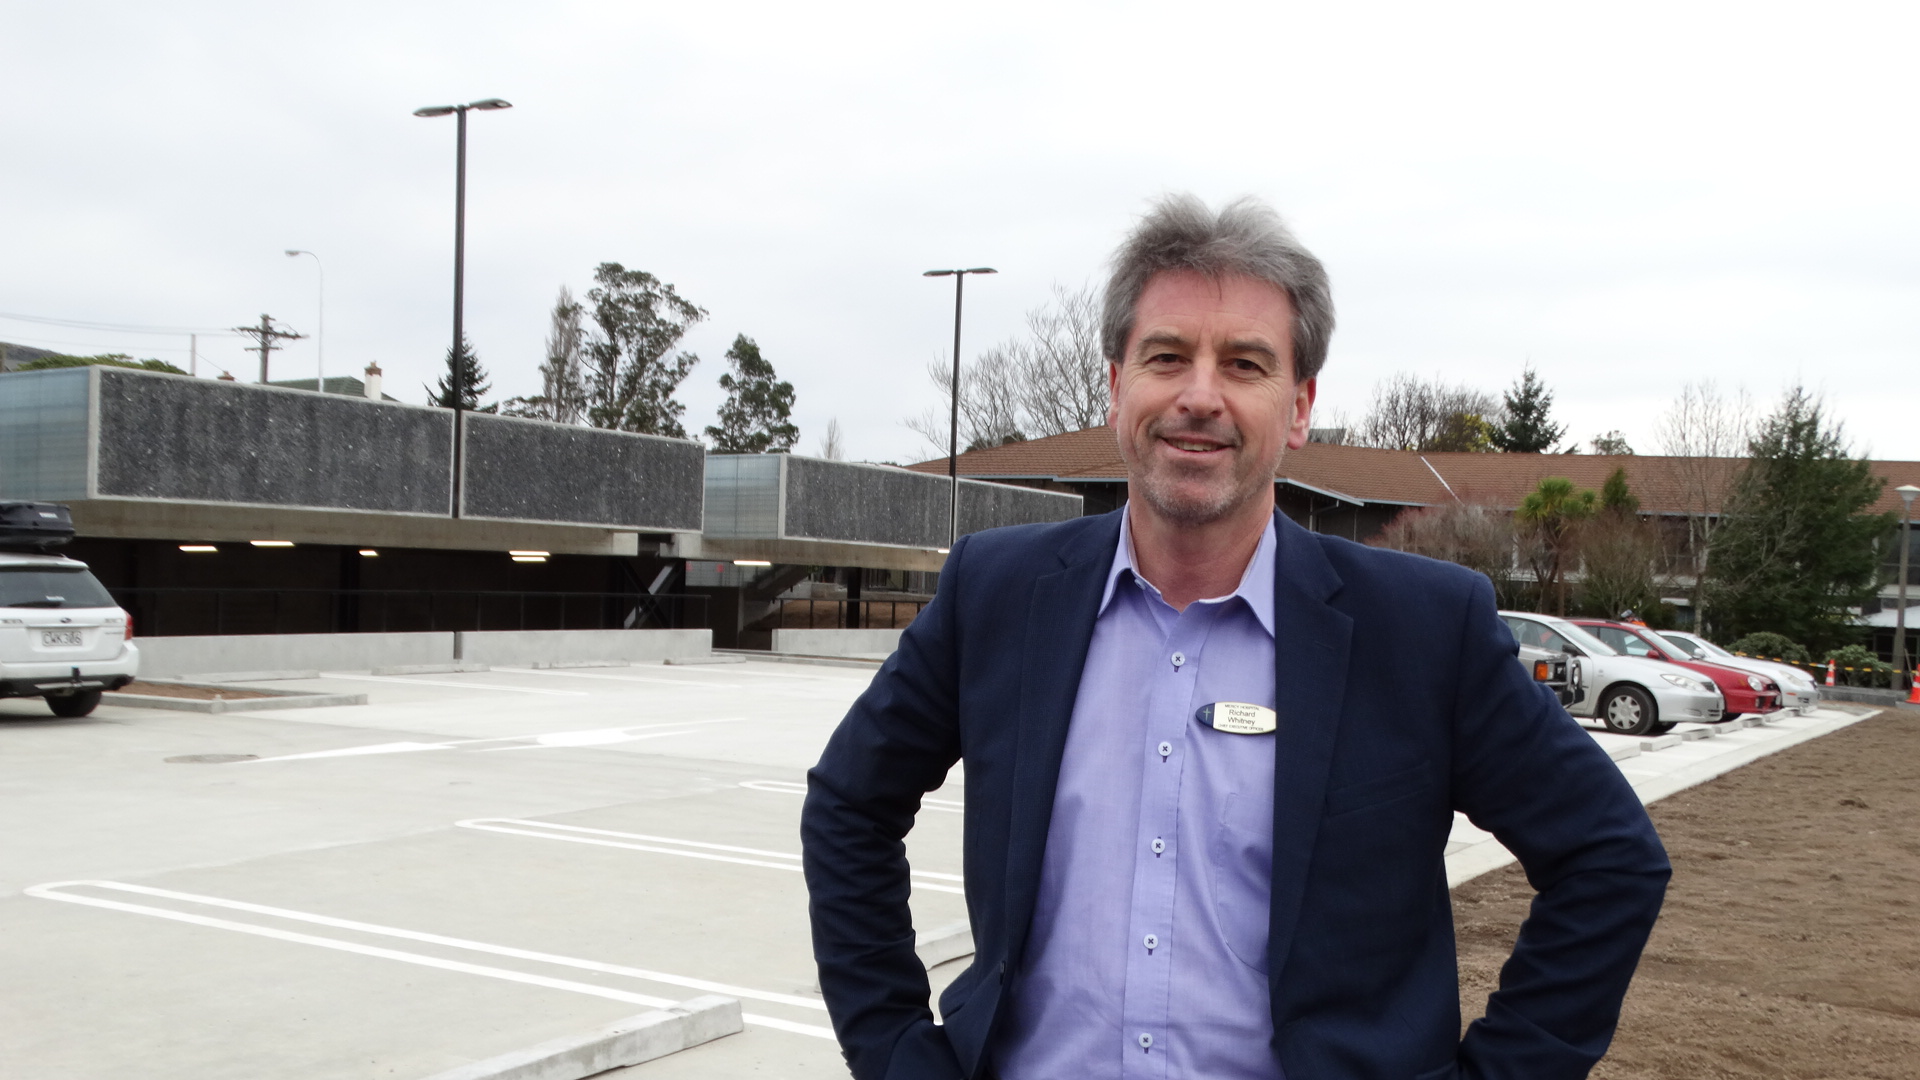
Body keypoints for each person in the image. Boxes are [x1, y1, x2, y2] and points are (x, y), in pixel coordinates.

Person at [801, 194, 1669, 1080]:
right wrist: (898, 1052)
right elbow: (848, 804)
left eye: (1245, 364)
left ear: (1298, 406)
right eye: (1167, 356)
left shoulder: (1422, 630)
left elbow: (1609, 861)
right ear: (1115, 387)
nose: (1199, 396)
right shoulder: (999, 593)